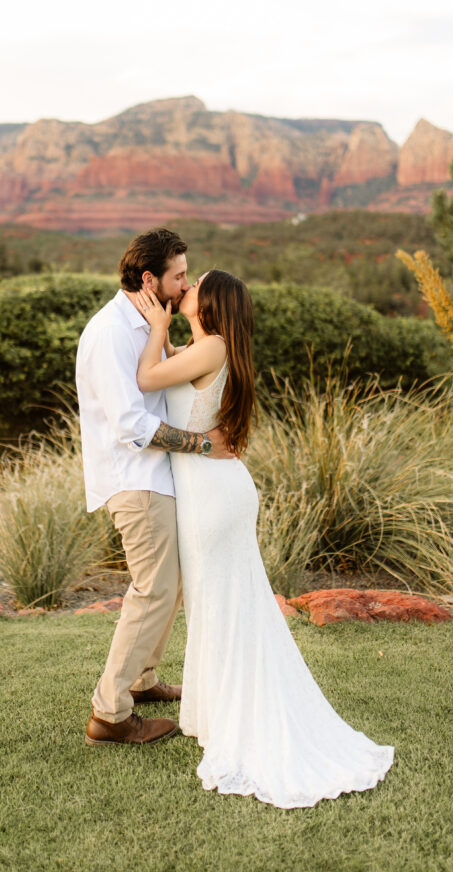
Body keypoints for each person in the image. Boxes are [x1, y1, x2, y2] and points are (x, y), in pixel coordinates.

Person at [135, 269, 394, 809]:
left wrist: (157, 325)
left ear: (213, 302)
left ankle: (239, 720)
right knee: (217, 604)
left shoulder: (211, 348)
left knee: (226, 605)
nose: (188, 287)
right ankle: (215, 714)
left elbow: (145, 380)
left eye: (196, 282)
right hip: (212, 490)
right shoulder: (205, 347)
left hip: (213, 496)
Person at [75, 229, 234, 747]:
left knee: (171, 585)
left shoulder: (144, 324)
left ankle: (141, 681)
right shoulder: (111, 333)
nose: (186, 283)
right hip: (136, 481)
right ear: (150, 279)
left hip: (157, 479)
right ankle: (111, 713)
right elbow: (132, 426)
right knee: (154, 588)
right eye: (179, 275)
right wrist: (205, 445)